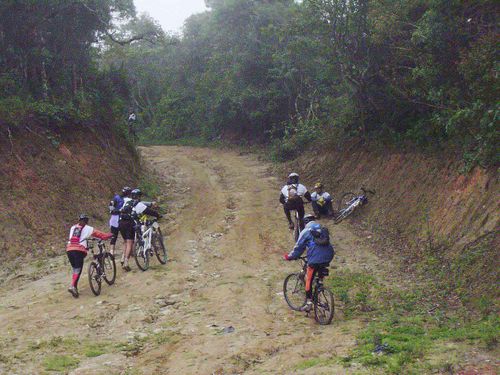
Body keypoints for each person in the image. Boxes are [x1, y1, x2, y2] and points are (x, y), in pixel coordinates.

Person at [283, 214, 334, 312]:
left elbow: (298, 247)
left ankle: (309, 303)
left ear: (305, 222)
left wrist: (290, 257)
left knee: (309, 279)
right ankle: (320, 284)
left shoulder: (306, 231)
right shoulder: (323, 229)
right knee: (320, 269)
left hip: (315, 258)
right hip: (328, 256)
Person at [66, 214, 112, 298]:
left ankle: (74, 287)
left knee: (76, 269)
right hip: (79, 250)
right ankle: (72, 286)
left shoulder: (72, 227)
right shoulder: (88, 228)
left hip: (69, 250)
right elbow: (101, 235)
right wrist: (109, 235)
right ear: (87, 221)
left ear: (79, 220)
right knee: (78, 269)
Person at [119, 188, 161, 271]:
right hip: (129, 223)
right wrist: (157, 215)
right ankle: (126, 262)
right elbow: (149, 211)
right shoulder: (139, 205)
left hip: (121, 222)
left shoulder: (127, 202)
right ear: (139, 197)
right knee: (130, 242)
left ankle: (122, 258)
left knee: (126, 241)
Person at [109, 187, 132, 256]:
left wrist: (112, 211)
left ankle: (111, 251)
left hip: (114, 219)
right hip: (122, 219)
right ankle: (124, 254)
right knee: (126, 238)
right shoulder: (128, 200)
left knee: (113, 236)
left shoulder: (116, 197)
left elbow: (110, 205)